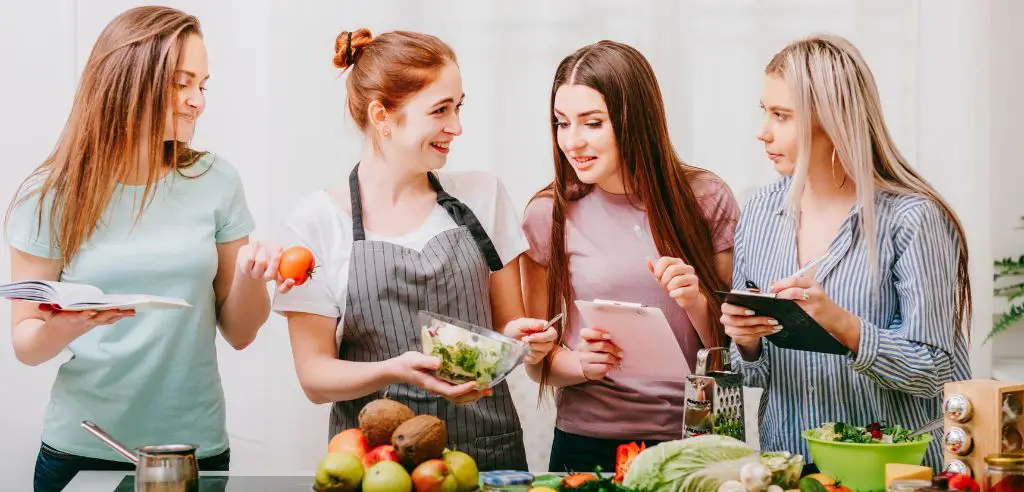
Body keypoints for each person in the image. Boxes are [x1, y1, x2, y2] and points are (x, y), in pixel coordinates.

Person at [5, 6, 290, 491]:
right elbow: (26, 345)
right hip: (83, 450)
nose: (198, 101)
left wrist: (249, 277)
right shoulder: (51, 194)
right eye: (183, 83)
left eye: (203, 84)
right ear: (127, 81)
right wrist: (70, 322)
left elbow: (241, 333)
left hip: (193, 453)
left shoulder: (215, 181)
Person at [271, 28, 557, 472]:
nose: (456, 127)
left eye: (458, 107)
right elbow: (315, 377)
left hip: (487, 455)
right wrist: (396, 369)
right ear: (381, 114)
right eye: (440, 110)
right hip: (377, 464)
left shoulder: (482, 196)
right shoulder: (317, 221)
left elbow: (507, 328)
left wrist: (529, 343)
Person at [724, 34, 972, 471]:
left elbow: (936, 371)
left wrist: (842, 325)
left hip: (892, 474)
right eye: (765, 112)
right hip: (792, 472)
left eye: (781, 116)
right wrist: (745, 344)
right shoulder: (759, 212)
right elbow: (753, 379)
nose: (763, 132)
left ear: (833, 120)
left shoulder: (912, 219)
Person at [520, 40, 740, 473]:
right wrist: (580, 365)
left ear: (634, 120)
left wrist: (695, 301)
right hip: (587, 444)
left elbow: (733, 348)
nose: (572, 141)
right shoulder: (549, 214)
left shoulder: (706, 199)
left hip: (694, 439)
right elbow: (538, 362)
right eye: (562, 123)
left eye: (592, 123)